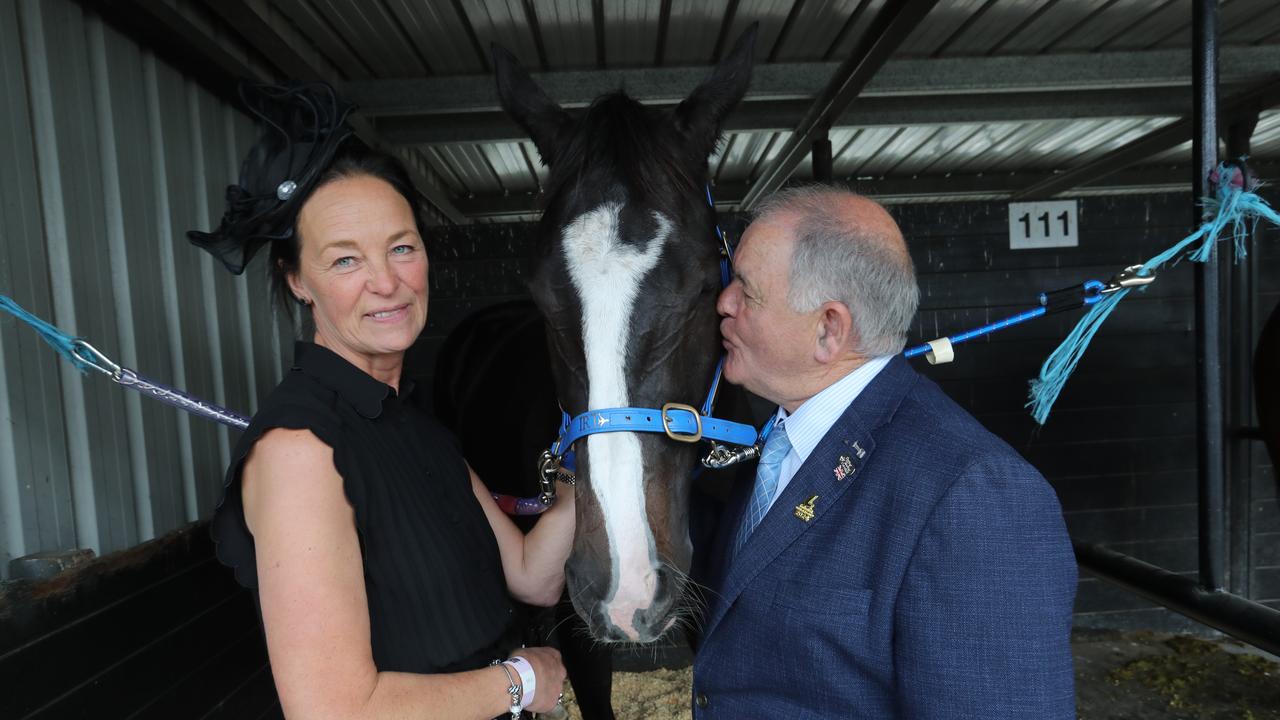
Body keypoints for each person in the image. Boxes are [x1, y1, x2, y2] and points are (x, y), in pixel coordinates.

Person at [189, 83, 573, 719]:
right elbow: (332, 710)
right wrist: (522, 680)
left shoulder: (416, 424)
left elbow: (532, 574)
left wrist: (586, 476)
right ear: (297, 280)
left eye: (402, 246)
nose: (387, 282)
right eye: (345, 261)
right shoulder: (299, 454)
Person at [691, 186, 1077, 718]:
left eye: (747, 291)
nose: (723, 302)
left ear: (829, 329)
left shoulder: (975, 497)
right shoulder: (781, 437)